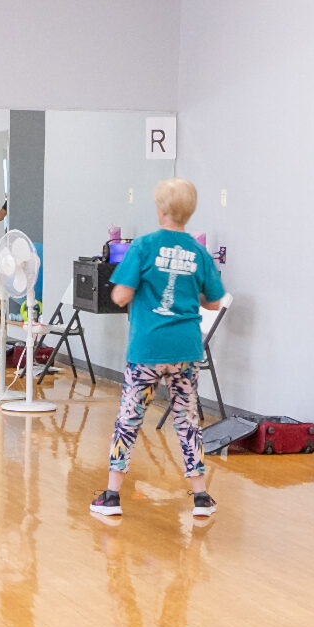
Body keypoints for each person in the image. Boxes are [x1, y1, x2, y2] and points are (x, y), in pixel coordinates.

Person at [91, 179, 225, 522]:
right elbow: (213, 300)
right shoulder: (198, 252)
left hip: (147, 349)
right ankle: (201, 497)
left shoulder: (144, 246)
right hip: (185, 349)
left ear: (160, 209)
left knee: (129, 419)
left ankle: (111, 496)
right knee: (187, 420)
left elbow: (120, 295)